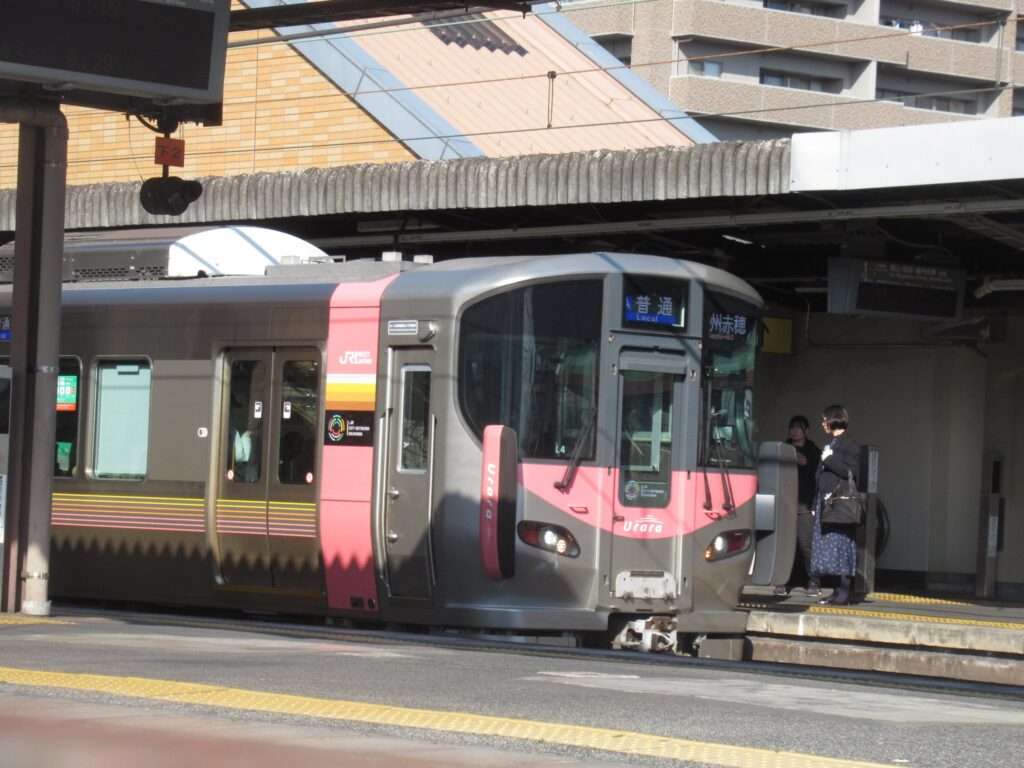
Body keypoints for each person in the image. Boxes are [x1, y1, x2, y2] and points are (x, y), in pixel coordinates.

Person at [810, 404, 861, 606]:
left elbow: (852, 472)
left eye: (825, 420)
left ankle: (844, 592)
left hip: (840, 504)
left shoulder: (850, 444)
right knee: (829, 547)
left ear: (834, 420)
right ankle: (835, 591)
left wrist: (829, 459)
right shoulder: (831, 443)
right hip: (826, 503)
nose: (823, 423)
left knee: (841, 545)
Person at [775, 415, 821, 597]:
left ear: (806, 431)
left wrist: (815, 504)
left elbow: (816, 475)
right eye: (792, 427)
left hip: (805, 505)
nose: (794, 431)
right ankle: (782, 581)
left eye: (798, 428)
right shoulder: (783, 449)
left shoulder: (813, 451)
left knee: (806, 545)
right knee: (785, 545)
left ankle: (814, 581)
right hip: (785, 503)